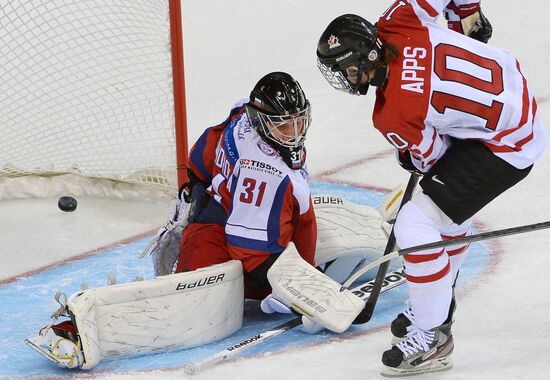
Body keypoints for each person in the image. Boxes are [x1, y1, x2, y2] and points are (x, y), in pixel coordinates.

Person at [316, 0, 547, 376]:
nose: (345, 76)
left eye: (346, 68)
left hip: (508, 144)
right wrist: (466, 13)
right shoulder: (396, 20)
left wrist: (409, 156)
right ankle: (433, 303)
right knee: (445, 213)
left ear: (366, 59)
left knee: (415, 226)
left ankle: (433, 336)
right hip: (513, 88)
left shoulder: (393, 112)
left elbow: (435, 158)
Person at [173, 71, 317, 300]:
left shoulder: (242, 115)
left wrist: (195, 186)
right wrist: (296, 289)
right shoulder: (263, 170)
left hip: (229, 218)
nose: (295, 134)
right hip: (226, 233)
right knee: (192, 295)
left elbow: (204, 153)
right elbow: (253, 255)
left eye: (298, 122)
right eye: (284, 126)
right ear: (259, 120)